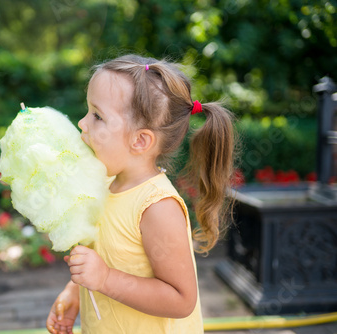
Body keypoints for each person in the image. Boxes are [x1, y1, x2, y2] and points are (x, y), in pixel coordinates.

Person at [46, 54, 236, 334]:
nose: (82, 123)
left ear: (140, 140)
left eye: (97, 116)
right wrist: (74, 290)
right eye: (88, 111)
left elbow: (181, 300)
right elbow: (103, 258)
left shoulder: (157, 208)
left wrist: (105, 279)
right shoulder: (104, 184)